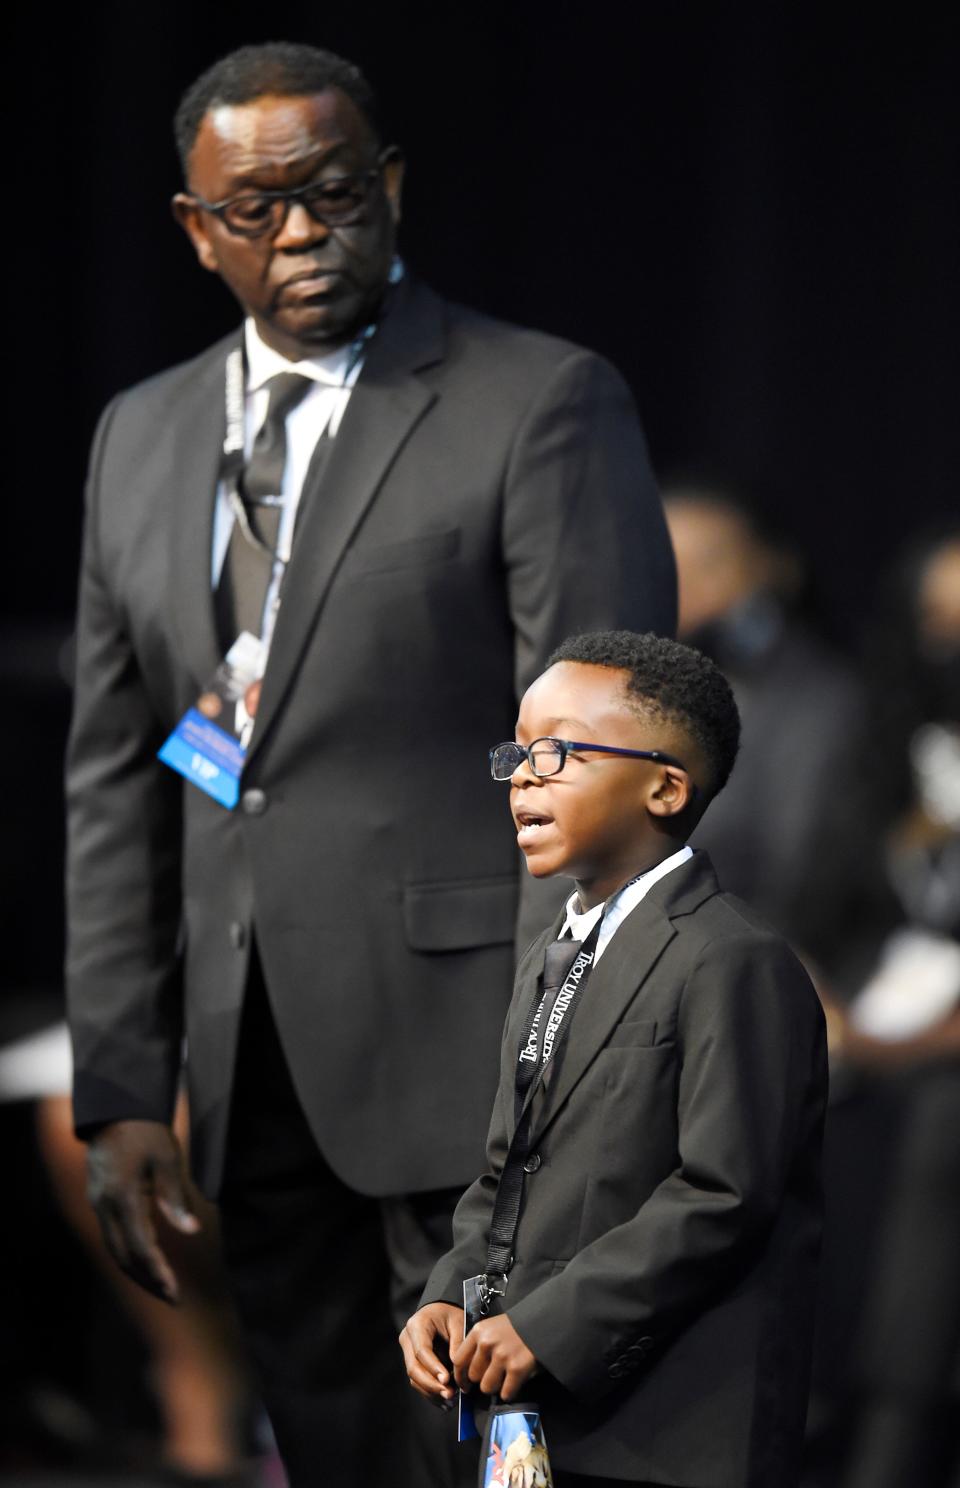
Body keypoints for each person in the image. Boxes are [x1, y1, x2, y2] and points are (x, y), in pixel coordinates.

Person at [64, 42, 677, 1488]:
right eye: (254, 209)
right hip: (250, 1060)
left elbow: (606, 759)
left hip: (476, 1060)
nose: (299, 235)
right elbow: (117, 780)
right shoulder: (138, 436)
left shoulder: (536, 400)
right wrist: (121, 1085)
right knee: (334, 1443)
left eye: (334, 195)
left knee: (500, 1459)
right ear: (192, 227)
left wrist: (560, 1064)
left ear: (390, 189)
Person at [402, 631, 828, 1488]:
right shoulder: (551, 956)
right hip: (539, 1424)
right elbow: (509, 1171)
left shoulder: (729, 957)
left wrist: (551, 1326)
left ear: (665, 786)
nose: (524, 773)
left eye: (556, 752)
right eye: (519, 752)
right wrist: (450, 1290)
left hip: (671, 1431)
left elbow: (723, 1193)